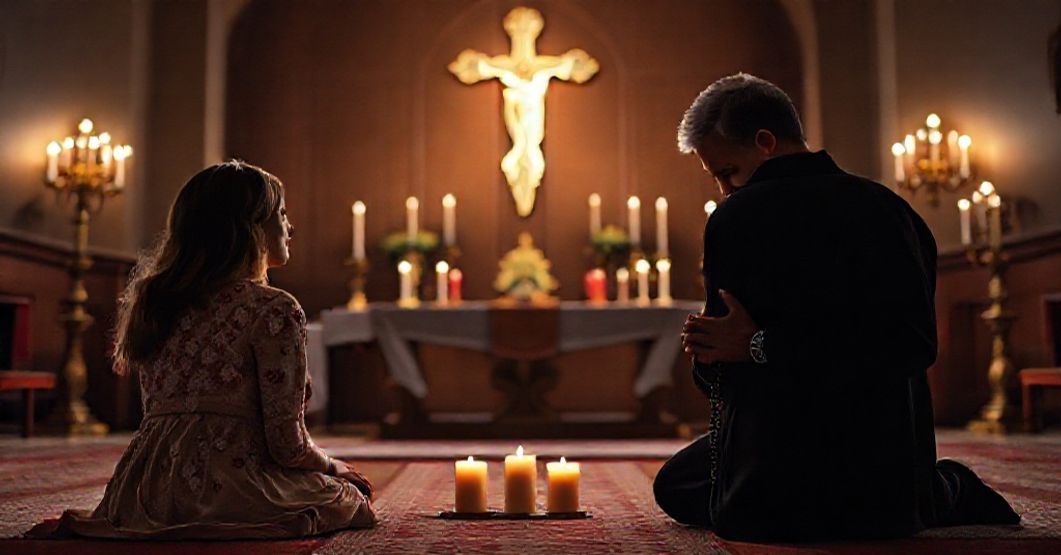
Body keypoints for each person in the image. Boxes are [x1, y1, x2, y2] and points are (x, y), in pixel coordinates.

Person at [653, 73, 1020, 542]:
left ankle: (936, 488)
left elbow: (720, 376)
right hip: (886, 472)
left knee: (680, 485)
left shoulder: (737, 216)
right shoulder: (893, 210)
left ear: (765, 142)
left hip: (771, 481)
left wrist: (747, 347)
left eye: (727, 172)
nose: (725, 189)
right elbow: (915, 347)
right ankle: (934, 489)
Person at [57, 161, 377, 539]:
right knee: (350, 500)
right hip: (231, 485)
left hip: (145, 491)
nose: (290, 227)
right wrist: (333, 466)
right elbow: (287, 446)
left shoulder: (156, 303)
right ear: (251, 227)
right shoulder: (275, 309)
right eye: (281, 214)